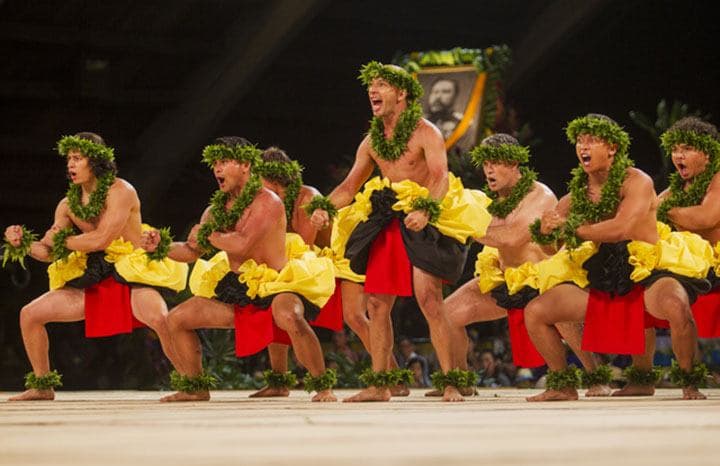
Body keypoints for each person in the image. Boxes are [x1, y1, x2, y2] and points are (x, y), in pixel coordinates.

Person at [309, 61, 492, 402]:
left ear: (402, 93)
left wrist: (427, 209)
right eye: (371, 86)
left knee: (429, 300)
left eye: (381, 85)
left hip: (424, 219)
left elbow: (440, 177)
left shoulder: (426, 132)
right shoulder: (372, 141)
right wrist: (324, 207)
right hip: (389, 219)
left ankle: (450, 380)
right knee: (377, 304)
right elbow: (350, 185)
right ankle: (381, 383)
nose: (372, 91)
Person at [524, 114, 710, 401]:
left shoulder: (637, 181)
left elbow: (623, 227)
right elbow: (550, 248)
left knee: (676, 305)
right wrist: (548, 232)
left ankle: (690, 382)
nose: (583, 147)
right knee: (536, 312)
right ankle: (563, 384)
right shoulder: (576, 196)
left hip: (645, 270)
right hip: (603, 274)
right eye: (579, 141)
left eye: (591, 141)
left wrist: (572, 228)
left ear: (611, 148)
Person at [143, 137, 338, 402]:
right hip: (236, 288)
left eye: (224, 162)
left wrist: (209, 235)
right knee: (176, 319)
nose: (217, 169)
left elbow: (243, 241)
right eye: (215, 164)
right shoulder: (216, 210)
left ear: (246, 165)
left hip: (275, 284)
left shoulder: (268, 202)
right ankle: (195, 386)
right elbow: (191, 251)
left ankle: (322, 385)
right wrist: (161, 246)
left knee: (290, 316)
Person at [3, 132, 188, 401]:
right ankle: (42, 384)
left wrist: (64, 241)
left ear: (97, 161)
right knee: (30, 314)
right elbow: (48, 251)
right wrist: (22, 244)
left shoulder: (121, 191)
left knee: (160, 319)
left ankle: (191, 383)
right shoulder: (68, 205)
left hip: (131, 269)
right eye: (69, 159)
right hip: (94, 273)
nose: (71, 164)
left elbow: (103, 237)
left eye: (78, 158)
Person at [442, 133, 612, 397]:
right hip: (506, 281)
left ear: (514, 164)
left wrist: (464, 226)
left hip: (542, 281)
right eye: (486, 164)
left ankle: (594, 377)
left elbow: (512, 236)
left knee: (563, 320)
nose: (489, 169)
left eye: (496, 163)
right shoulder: (491, 200)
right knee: (448, 312)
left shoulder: (540, 195)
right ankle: (461, 379)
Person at [614, 116, 720, 396]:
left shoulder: (718, 180)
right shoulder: (673, 191)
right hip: (686, 269)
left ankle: (688, 381)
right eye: (674, 149)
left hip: (715, 266)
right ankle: (643, 377)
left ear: (707, 153)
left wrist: (661, 212)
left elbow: (706, 216)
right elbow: (642, 214)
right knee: (637, 289)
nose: (678, 155)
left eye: (686, 148)